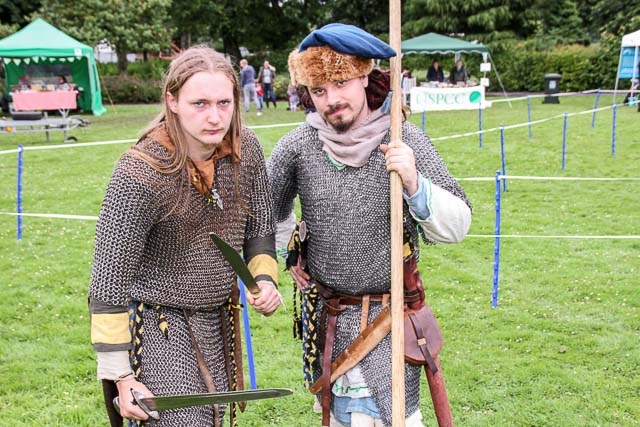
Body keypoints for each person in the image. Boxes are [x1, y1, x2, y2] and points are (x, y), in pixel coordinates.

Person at [269, 23, 472, 427]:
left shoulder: (404, 140)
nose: (331, 100)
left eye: (341, 83)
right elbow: (265, 212)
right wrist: (293, 247)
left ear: (365, 76)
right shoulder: (297, 147)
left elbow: (458, 226)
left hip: (390, 318)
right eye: (319, 90)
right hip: (329, 320)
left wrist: (414, 181)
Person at [88, 45, 282, 426]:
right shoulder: (140, 173)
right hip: (159, 324)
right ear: (172, 100)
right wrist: (121, 376)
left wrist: (263, 278)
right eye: (200, 103)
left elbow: (260, 228)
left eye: (224, 103)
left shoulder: (247, 151)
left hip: (216, 318)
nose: (215, 117)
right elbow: (108, 281)